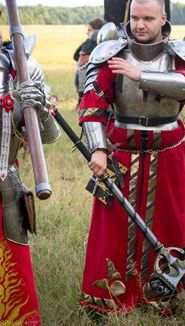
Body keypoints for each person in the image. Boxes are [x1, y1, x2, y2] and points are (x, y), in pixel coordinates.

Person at [79, 0, 185, 315]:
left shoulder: (183, 55)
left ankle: (160, 294)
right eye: (135, 17)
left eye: (148, 18)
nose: (139, 24)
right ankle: (111, 297)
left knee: (167, 223)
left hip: (168, 155)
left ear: (163, 18)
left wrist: (140, 75)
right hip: (120, 155)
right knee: (113, 227)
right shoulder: (111, 54)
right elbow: (92, 105)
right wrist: (97, 148)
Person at [0, 35, 61, 324]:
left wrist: (36, 106)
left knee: (10, 281)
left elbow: (49, 136)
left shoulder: (21, 67)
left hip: (3, 184)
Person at [73, 18, 105, 105]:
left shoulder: (101, 43)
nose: (87, 32)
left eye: (89, 30)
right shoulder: (89, 42)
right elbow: (76, 56)